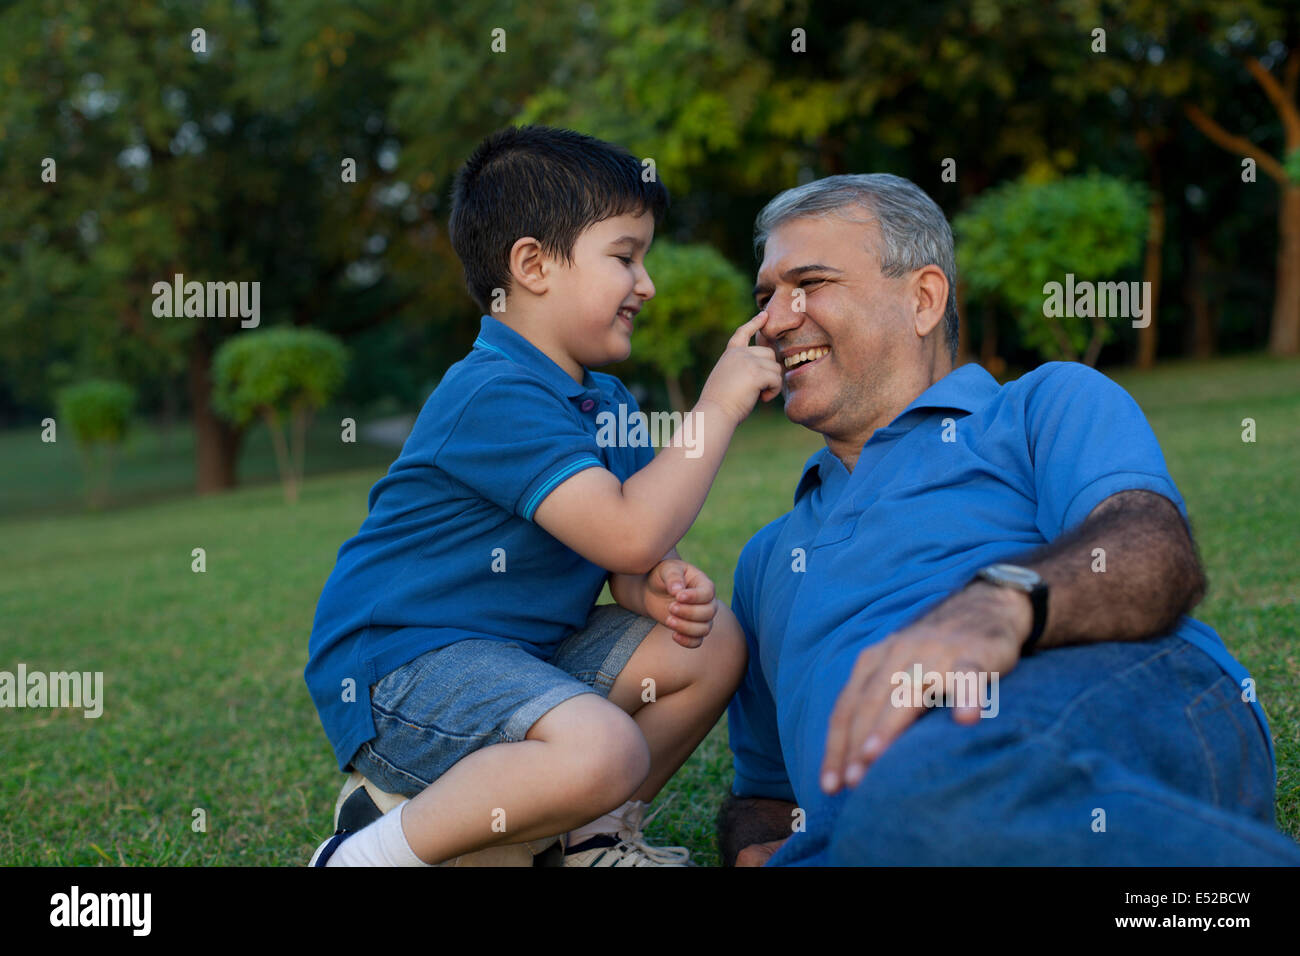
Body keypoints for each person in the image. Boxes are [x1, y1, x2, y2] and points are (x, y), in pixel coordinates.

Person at [716, 172, 1300, 866]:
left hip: (1108, 708)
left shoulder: (1037, 409)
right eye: (766, 297)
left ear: (923, 299)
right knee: (897, 816)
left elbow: (1152, 549)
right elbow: (765, 793)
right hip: (914, 824)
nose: (775, 321)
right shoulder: (767, 560)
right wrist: (751, 845)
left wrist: (1001, 602)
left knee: (924, 790)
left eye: (808, 283)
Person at [305, 125, 782, 866]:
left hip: (524, 654)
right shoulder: (493, 392)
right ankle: (362, 855)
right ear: (532, 265)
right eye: (625, 257)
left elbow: (632, 555)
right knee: (604, 747)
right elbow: (625, 530)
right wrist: (716, 407)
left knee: (712, 640)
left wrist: (659, 587)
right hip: (406, 669)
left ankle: (587, 842)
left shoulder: (609, 400)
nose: (646, 284)